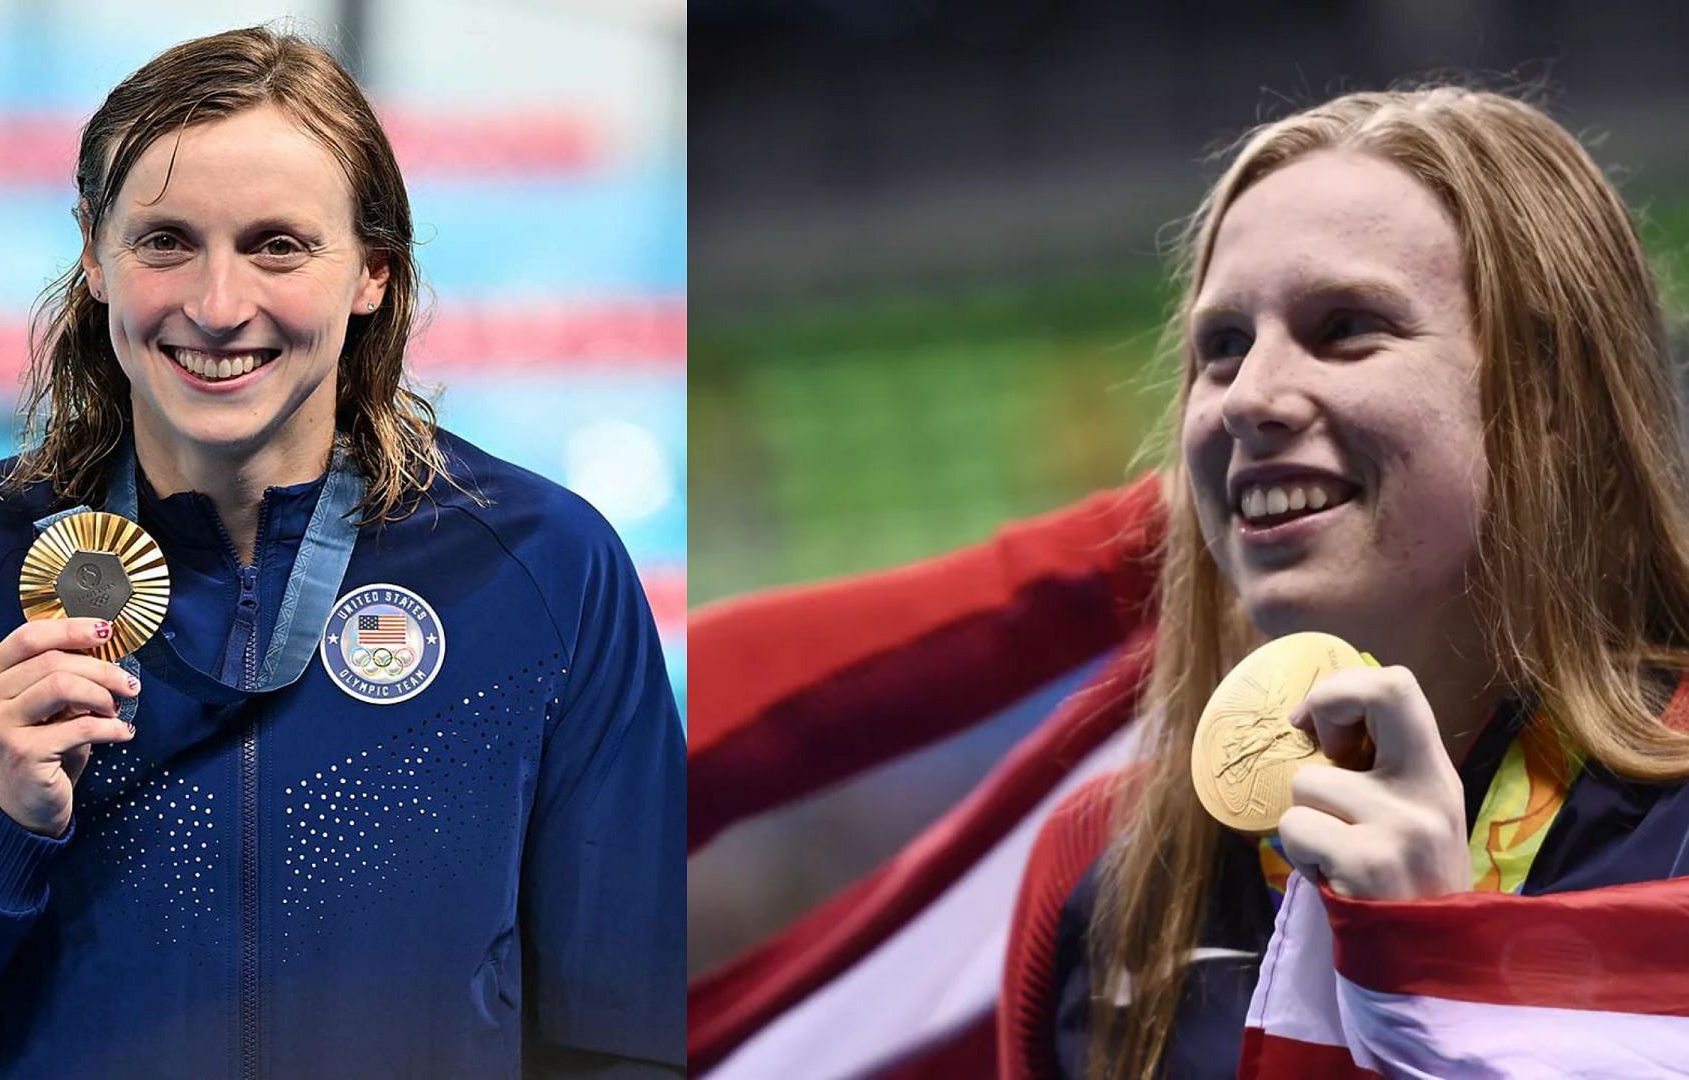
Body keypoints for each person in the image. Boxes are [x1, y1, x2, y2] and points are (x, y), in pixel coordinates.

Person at [691, 86, 1689, 1079]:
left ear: (1550, 393)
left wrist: (1438, 970)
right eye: (1221, 348)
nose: (1248, 397)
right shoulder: (1107, 871)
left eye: (1345, 327)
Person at [0, 26, 683, 1078]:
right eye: (165, 241)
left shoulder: (543, 569)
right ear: (95, 259)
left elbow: (627, 1036)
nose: (216, 306)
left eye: (277, 246)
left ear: (373, 274)